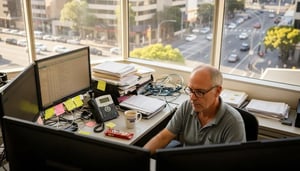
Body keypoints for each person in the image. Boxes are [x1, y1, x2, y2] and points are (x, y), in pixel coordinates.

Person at [143, 64, 246, 155]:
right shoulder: (187, 106)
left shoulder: (233, 123)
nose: (192, 97)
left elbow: (233, 164)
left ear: (217, 91)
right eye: (190, 90)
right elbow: (163, 137)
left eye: (200, 92)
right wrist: (140, 158)